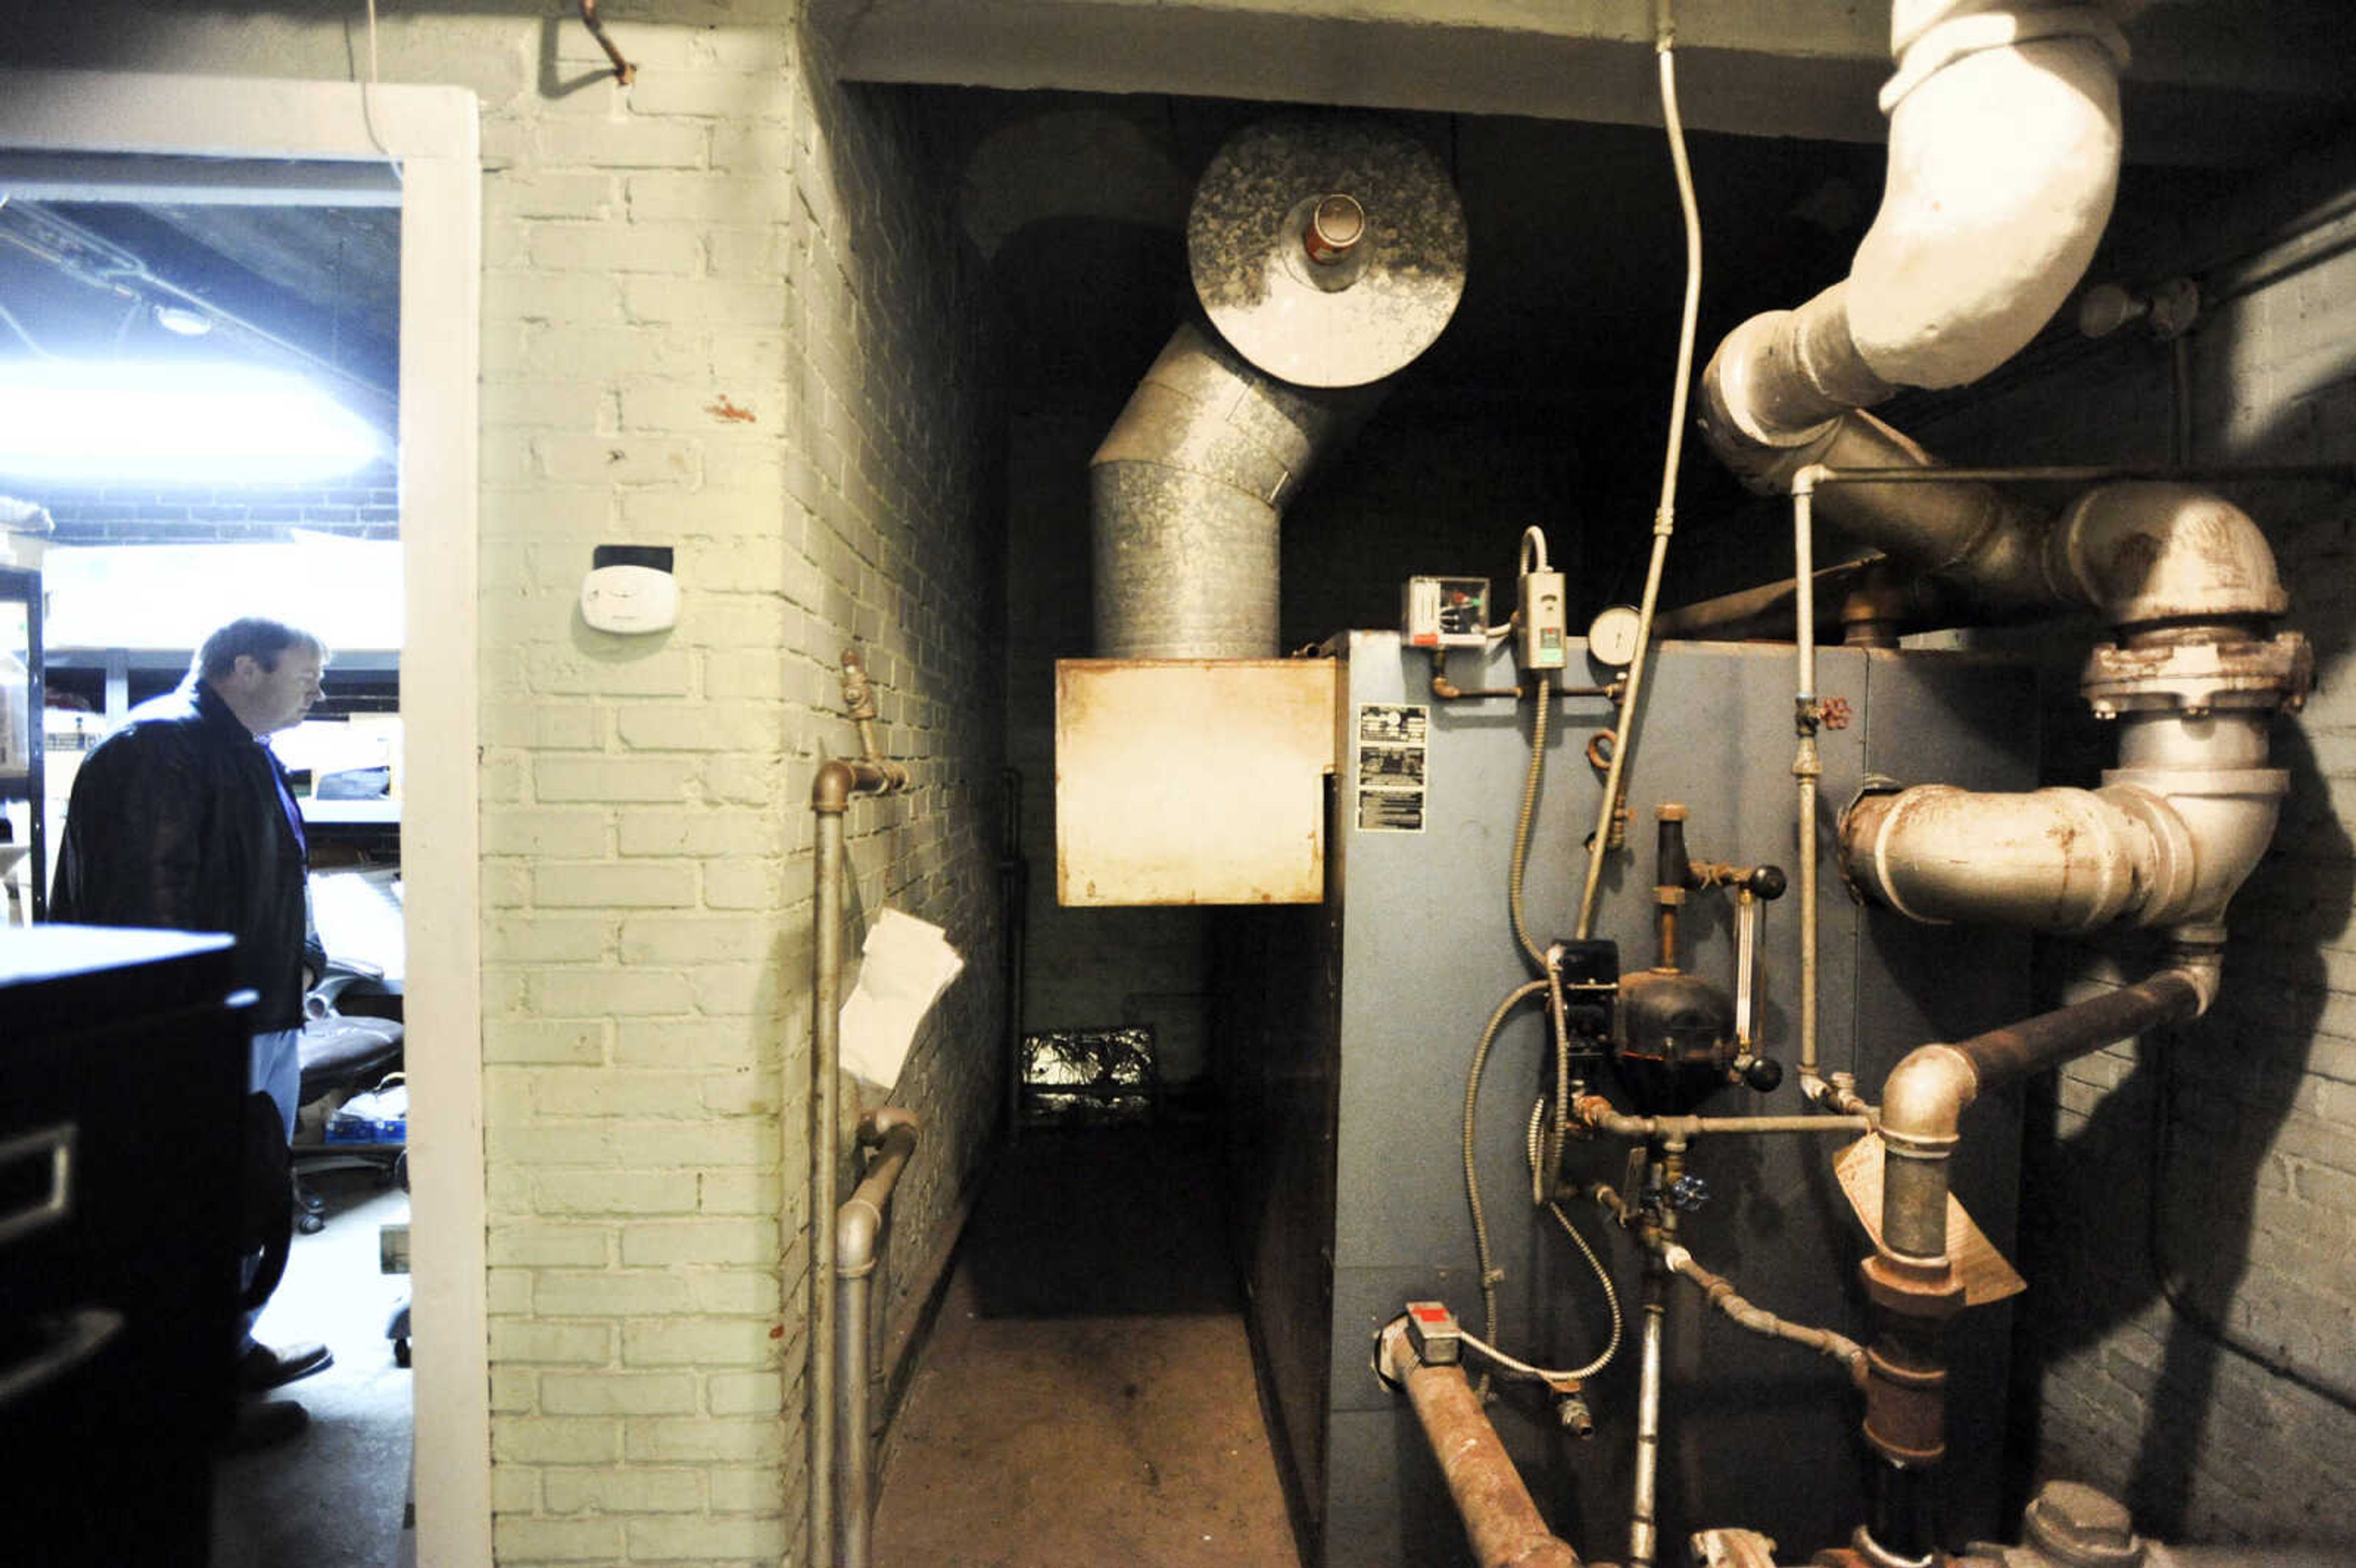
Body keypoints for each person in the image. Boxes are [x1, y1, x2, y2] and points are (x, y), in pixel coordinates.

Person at [51, 616, 336, 1449]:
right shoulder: (163, 747)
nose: (317, 692)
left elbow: (283, 871)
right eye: (306, 675)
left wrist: (305, 960)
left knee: (244, 1195)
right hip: (205, 1022)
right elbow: (150, 906)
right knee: (191, 1202)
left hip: (258, 1010)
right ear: (243, 668)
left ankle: (227, 1350)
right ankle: (186, 1400)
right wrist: (185, 1028)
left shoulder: (240, 747)